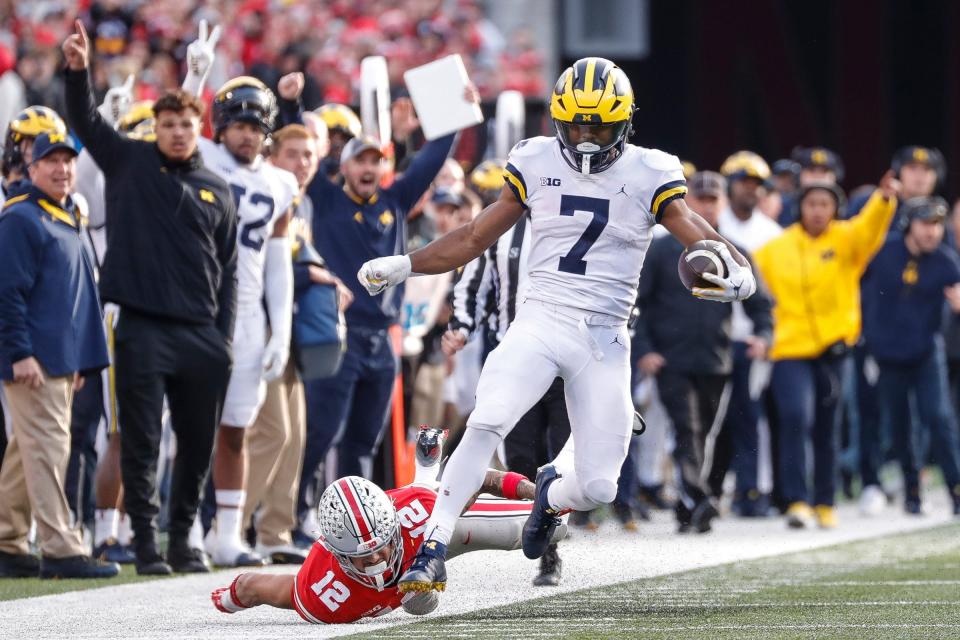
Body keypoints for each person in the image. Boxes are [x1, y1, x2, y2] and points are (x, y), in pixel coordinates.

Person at [357, 57, 756, 593]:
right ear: (556, 121)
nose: (587, 139)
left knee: (599, 486)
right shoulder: (536, 159)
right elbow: (475, 236)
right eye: (577, 125)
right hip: (542, 317)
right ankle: (433, 545)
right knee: (487, 419)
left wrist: (736, 267)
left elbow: (693, 229)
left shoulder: (650, 170)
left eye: (600, 126)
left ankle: (549, 494)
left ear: (625, 123)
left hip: (606, 336)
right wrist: (407, 264)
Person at [62, 20, 238, 576]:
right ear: (155, 128)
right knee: (140, 440)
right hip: (140, 327)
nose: (178, 132)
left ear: (198, 126)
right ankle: (143, 541)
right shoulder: (130, 162)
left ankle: (183, 538)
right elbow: (87, 123)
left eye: (186, 123)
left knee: (196, 444)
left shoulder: (218, 187)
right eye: (168, 124)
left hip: (201, 335)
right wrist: (76, 71)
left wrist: (223, 338)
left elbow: (229, 271)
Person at [211, 427, 563, 624]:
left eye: (381, 544)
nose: (378, 560)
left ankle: (425, 474)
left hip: (421, 535)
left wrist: (538, 494)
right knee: (418, 598)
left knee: (556, 523)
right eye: (363, 557)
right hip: (410, 540)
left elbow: (478, 478)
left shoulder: (416, 517)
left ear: (392, 526)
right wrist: (234, 596)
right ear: (338, 555)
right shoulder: (324, 592)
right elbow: (259, 588)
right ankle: (425, 472)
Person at [297, 107, 460, 530]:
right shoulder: (328, 197)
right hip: (340, 333)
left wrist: (452, 111)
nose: (368, 168)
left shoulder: (394, 200)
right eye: (360, 160)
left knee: (364, 441)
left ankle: (354, 521)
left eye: (376, 160)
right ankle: (298, 511)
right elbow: (300, 155)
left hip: (383, 338)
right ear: (344, 166)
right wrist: (292, 104)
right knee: (321, 432)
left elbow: (434, 156)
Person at [0, 131, 116, 579]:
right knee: (48, 449)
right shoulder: (21, 218)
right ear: (31, 168)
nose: (63, 169)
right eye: (51, 161)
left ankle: (8, 540)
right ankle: (60, 547)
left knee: (23, 451)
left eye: (68, 161)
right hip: (34, 360)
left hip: (59, 360)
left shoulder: (62, 215)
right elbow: (7, 293)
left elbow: (75, 295)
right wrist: (19, 352)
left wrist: (81, 360)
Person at [753, 174, 899, 530]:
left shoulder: (848, 239)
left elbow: (871, 228)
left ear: (835, 208)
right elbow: (754, 292)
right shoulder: (775, 248)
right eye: (811, 204)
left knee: (827, 426)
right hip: (789, 347)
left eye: (825, 204)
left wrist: (883, 199)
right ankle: (797, 500)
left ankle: (825, 501)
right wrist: (760, 332)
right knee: (794, 418)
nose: (818, 211)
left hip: (833, 349)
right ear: (800, 208)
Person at [196, 74, 298, 568]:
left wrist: (281, 328)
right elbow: (178, 130)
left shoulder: (281, 183)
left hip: (248, 318)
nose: (246, 133)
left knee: (236, 428)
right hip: (196, 312)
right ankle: (179, 529)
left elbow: (279, 264)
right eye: (236, 124)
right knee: (183, 428)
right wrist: (196, 79)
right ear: (218, 126)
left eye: (255, 126)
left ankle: (227, 535)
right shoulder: (201, 156)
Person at [635, 170, 773, 533]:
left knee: (705, 434)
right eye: (701, 199)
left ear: (722, 204)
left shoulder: (731, 252)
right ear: (687, 203)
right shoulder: (662, 249)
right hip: (672, 359)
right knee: (687, 429)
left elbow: (760, 302)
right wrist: (645, 350)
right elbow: (639, 305)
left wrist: (763, 335)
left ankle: (691, 504)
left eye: (714, 199)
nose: (707, 206)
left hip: (716, 358)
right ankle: (699, 498)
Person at [861, 196, 960, 516]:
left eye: (937, 224)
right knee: (900, 427)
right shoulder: (882, 251)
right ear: (908, 224)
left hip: (926, 353)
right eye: (925, 223)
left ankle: (956, 489)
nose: (932, 231)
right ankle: (912, 492)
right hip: (887, 355)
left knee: (939, 418)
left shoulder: (947, 261)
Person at [715, 158, 783, 516]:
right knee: (709, 421)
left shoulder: (772, 233)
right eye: (743, 181)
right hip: (713, 336)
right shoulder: (713, 225)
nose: (750, 188)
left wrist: (767, 334)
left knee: (749, 418)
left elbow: (776, 295)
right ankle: (708, 490)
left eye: (757, 182)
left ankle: (751, 491)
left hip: (750, 338)